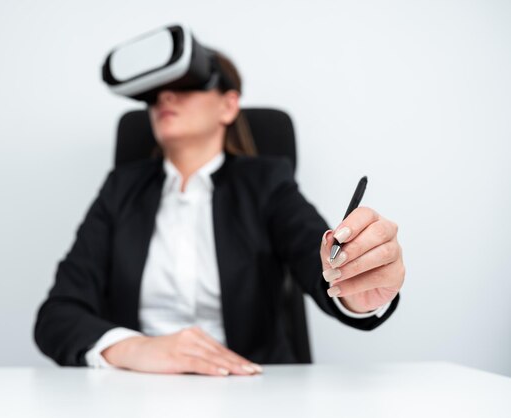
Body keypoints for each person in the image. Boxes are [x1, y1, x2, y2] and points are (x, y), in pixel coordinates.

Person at [34, 46, 405, 377]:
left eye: (187, 84)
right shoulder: (122, 189)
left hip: (247, 388)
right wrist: (136, 348)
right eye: (157, 90)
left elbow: (317, 259)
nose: (165, 96)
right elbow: (57, 315)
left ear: (228, 105)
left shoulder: (267, 183)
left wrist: (356, 284)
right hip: (138, 389)